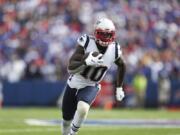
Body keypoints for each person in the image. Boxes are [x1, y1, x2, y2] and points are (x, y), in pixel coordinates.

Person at [61, 18, 126, 135]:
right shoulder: (86, 42)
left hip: (91, 85)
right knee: (66, 119)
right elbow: (70, 68)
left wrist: (119, 87)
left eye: (108, 34)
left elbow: (122, 65)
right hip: (75, 81)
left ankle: (73, 133)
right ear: (96, 33)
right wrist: (84, 63)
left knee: (83, 108)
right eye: (102, 34)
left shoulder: (114, 49)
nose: (106, 38)